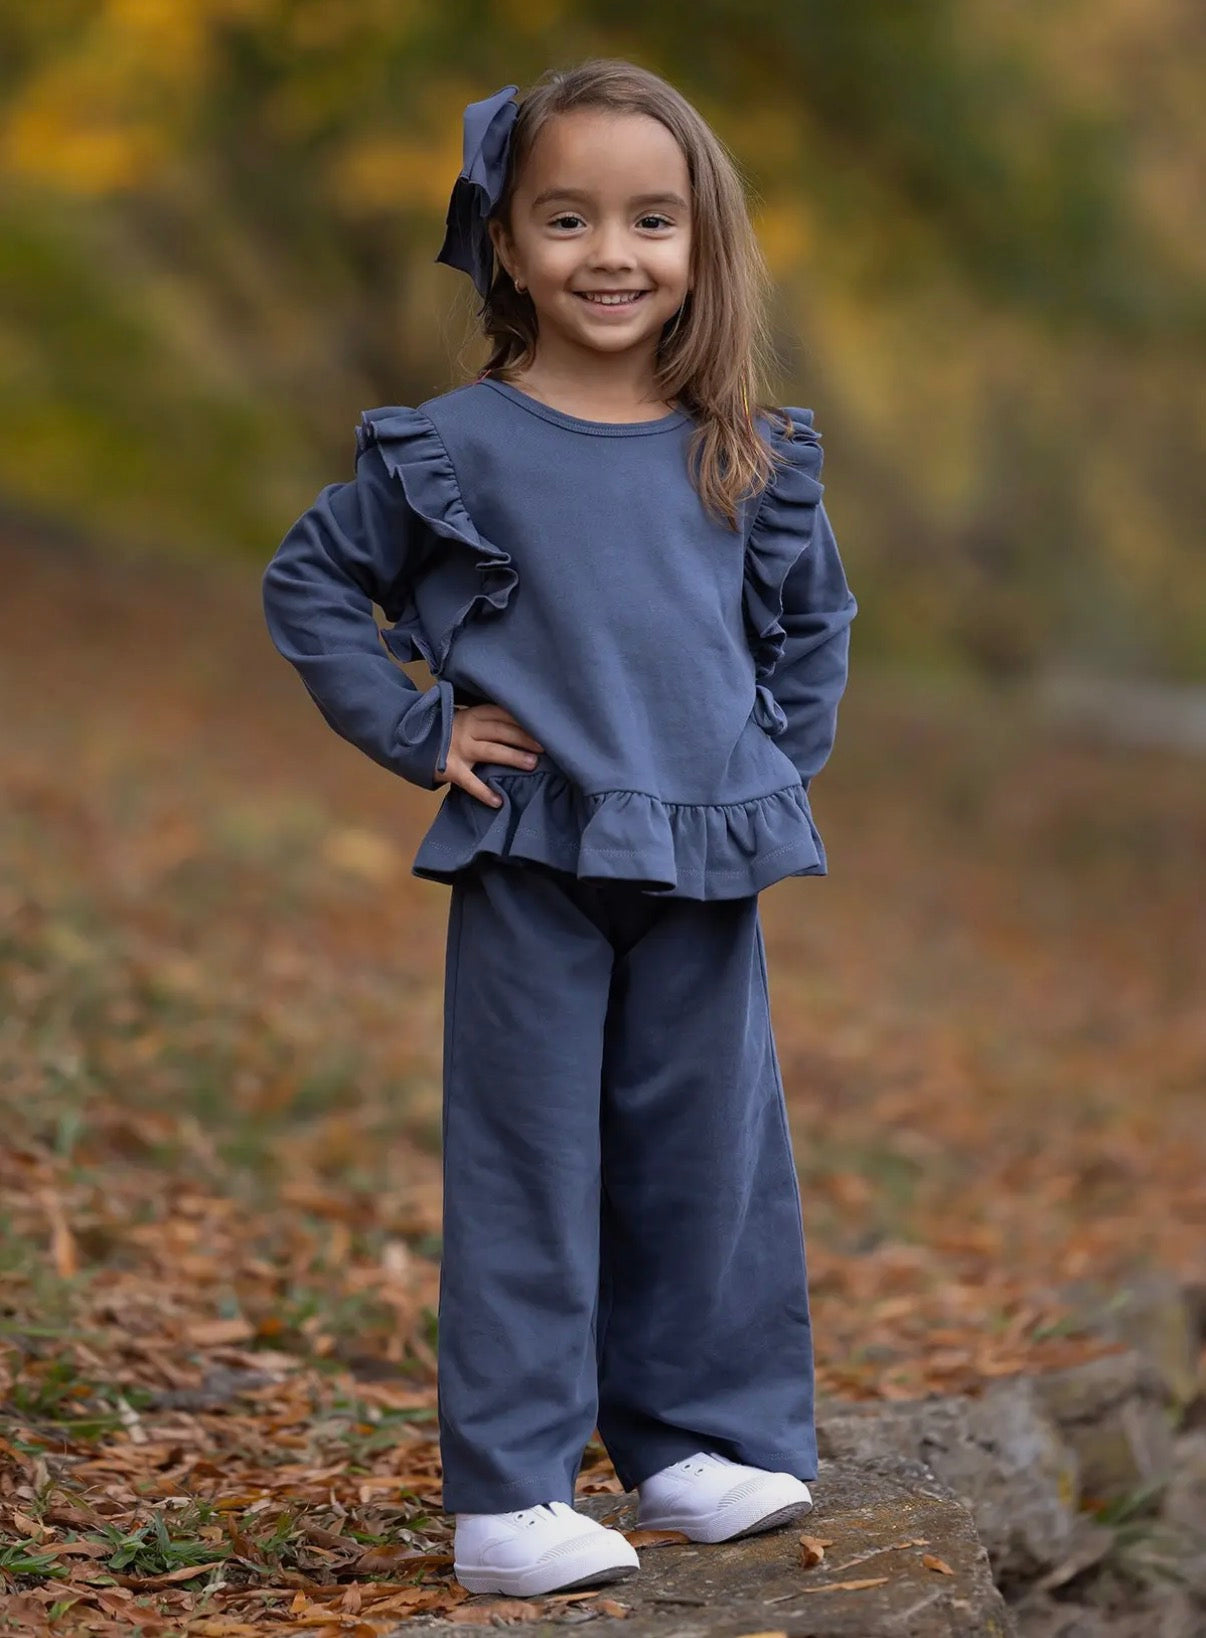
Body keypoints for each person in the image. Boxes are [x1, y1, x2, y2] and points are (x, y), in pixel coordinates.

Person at [262, 58, 858, 1602]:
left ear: (700, 243)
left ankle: (691, 1445)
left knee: (707, 1155)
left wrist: (761, 763)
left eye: (651, 219)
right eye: (568, 217)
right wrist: (421, 727)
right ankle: (511, 1490)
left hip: (703, 859)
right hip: (532, 855)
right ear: (506, 243)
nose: (612, 252)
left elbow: (814, 623)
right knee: (529, 1165)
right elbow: (312, 585)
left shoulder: (742, 448)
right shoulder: (458, 445)